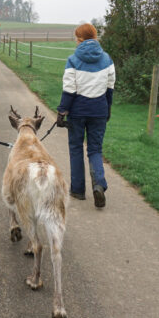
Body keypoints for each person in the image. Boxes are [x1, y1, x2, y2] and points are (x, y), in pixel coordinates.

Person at [56, 23, 115, 208]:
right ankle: (98, 184)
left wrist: (62, 112)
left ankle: (78, 190)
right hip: (99, 110)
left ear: (80, 39)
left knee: (76, 149)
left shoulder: (73, 60)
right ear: (95, 37)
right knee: (95, 149)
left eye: (76, 37)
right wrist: (108, 108)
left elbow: (69, 90)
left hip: (78, 111)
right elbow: (110, 87)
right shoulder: (106, 59)